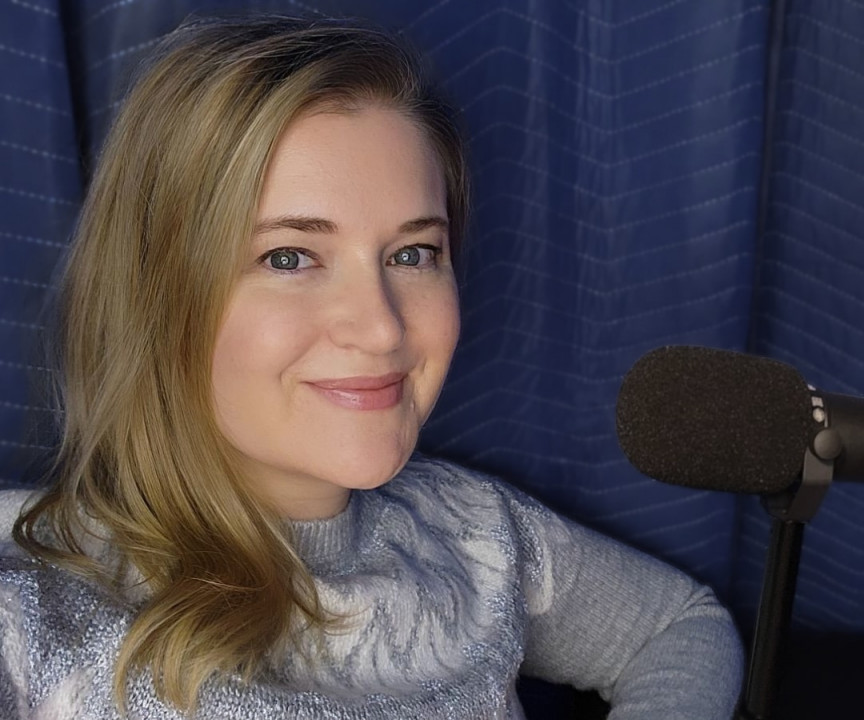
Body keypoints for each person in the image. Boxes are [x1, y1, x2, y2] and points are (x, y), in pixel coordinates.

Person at [0, 15, 743, 719]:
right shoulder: (34, 602)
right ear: (157, 299)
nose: (382, 326)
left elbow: (679, 626)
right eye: (289, 257)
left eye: (412, 254)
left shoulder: (481, 536)